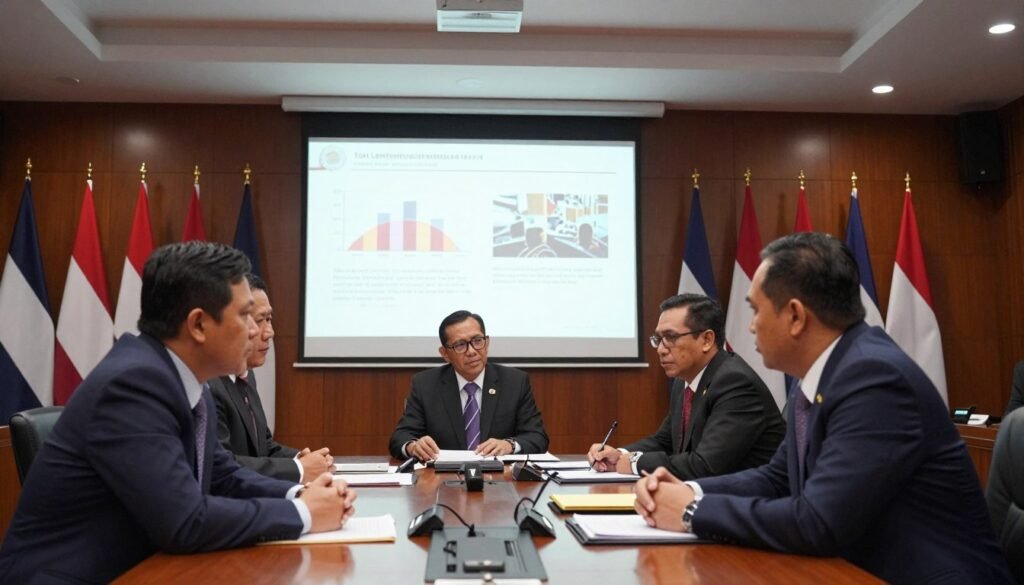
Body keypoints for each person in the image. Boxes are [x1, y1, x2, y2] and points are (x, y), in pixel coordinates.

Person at [634, 232, 1012, 585]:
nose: (749, 328)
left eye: (755, 311)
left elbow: (819, 522)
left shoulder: (874, 378)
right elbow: (777, 478)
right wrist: (688, 489)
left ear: (796, 316)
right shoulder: (821, 372)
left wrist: (691, 512)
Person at [0, 242, 357, 584]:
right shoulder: (133, 385)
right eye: (246, 314)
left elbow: (222, 476)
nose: (256, 331)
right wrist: (305, 515)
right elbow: (185, 522)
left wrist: (301, 494)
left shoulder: (186, 380)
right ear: (198, 325)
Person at [588, 294, 784, 479]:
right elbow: (665, 442)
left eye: (671, 337)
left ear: (706, 340)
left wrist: (634, 463)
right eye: (658, 339)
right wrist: (619, 453)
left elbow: (705, 465)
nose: (661, 349)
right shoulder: (685, 381)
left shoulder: (735, 383)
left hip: (747, 504)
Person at [208, 273, 333, 482]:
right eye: (259, 320)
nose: (269, 333)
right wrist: (299, 469)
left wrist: (301, 458)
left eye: (269, 319)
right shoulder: (209, 385)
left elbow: (263, 446)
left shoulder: (246, 375)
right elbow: (221, 466)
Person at [389, 310, 549, 460]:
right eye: (460, 345)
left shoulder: (514, 382)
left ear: (487, 343)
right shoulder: (425, 385)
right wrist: (413, 446)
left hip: (500, 480)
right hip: (442, 480)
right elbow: (400, 437)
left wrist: (509, 445)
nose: (472, 351)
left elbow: (537, 437)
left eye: (477, 341)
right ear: (444, 353)